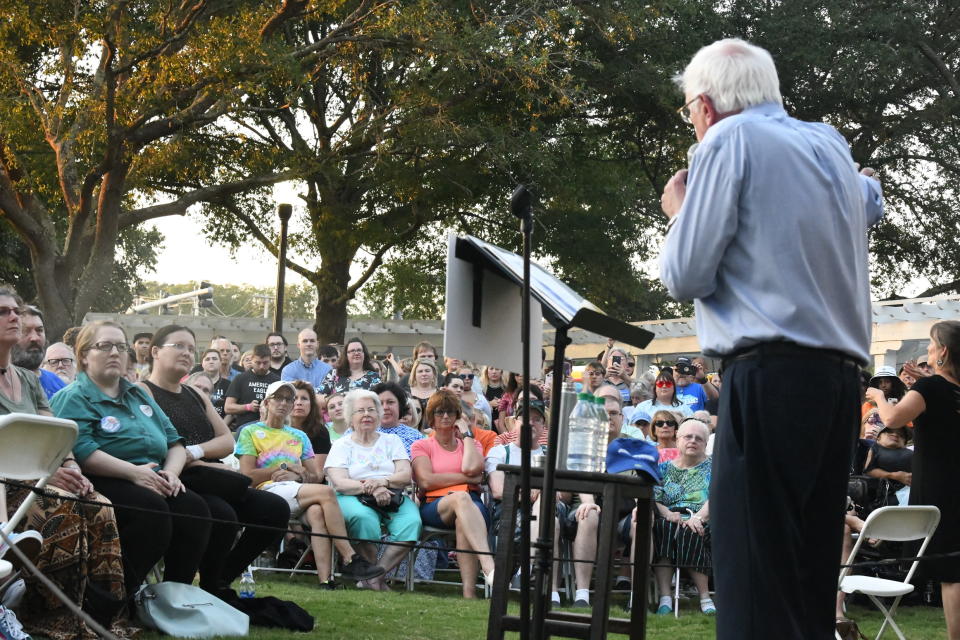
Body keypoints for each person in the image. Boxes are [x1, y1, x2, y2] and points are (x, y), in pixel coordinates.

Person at [658, 39, 883, 640]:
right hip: (839, 383)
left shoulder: (727, 142)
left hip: (769, 374)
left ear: (703, 106)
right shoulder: (829, 143)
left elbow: (685, 274)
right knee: (807, 575)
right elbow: (871, 200)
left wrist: (680, 210)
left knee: (756, 571)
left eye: (689, 113)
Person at [50, 320, 212, 608]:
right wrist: (134, 473)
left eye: (121, 346)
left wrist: (172, 474)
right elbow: (82, 449)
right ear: (84, 355)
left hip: (152, 475)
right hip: (102, 477)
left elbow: (174, 442)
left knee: (195, 511)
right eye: (105, 346)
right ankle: (114, 599)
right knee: (151, 513)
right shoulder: (73, 397)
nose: (115, 352)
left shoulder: (137, 393)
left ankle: (173, 599)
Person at [0, 291, 129, 640]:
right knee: (62, 507)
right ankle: (52, 623)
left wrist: (70, 467)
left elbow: (55, 434)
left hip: (39, 478)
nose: (13, 317)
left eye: (15, 310)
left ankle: (99, 619)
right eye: (3, 312)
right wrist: (47, 472)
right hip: (5, 485)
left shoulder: (29, 379)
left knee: (101, 507)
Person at [141, 324, 290, 596]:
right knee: (223, 514)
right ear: (155, 352)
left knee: (275, 509)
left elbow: (226, 441)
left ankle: (220, 580)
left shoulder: (195, 394)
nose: (187, 352)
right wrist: (187, 458)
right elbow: (154, 442)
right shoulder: (143, 392)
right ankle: (184, 588)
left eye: (190, 347)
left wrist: (194, 452)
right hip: (177, 478)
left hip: (210, 474)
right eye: (179, 346)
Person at [235, 380, 384, 587]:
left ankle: (325, 581)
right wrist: (285, 467)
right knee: (327, 493)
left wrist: (298, 475)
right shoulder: (250, 432)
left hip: (295, 490)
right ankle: (350, 558)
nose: (284, 403)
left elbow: (315, 475)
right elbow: (247, 475)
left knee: (317, 513)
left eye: (289, 399)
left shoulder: (300, 435)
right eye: (278, 398)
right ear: (267, 402)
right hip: (265, 493)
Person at [866, 321, 960, 639]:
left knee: (952, 573)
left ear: (944, 351)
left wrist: (878, 395)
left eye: (932, 346)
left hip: (939, 486)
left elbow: (892, 419)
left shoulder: (931, 388)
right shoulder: (949, 389)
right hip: (955, 482)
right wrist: (925, 383)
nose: (928, 351)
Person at [325, 389, 422, 591]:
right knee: (364, 519)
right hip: (351, 496)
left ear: (378, 415)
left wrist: (382, 483)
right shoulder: (342, 445)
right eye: (360, 411)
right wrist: (370, 487)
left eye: (371, 410)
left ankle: (374, 577)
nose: (367, 414)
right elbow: (340, 482)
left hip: (391, 494)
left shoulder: (391, 441)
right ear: (350, 418)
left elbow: (405, 475)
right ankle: (372, 578)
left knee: (412, 522)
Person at [410, 390, 495, 598]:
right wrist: (466, 480)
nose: (445, 417)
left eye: (450, 412)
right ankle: (489, 565)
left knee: (462, 517)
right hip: (435, 504)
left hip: (471, 507)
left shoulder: (471, 443)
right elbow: (426, 481)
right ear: (431, 417)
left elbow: (471, 468)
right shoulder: (421, 445)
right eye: (440, 412)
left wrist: (466, 434)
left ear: (458, 416)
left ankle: (469, 592)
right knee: (461, 497)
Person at [646, 419, 714, 616]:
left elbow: (717, 496)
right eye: (688, 437)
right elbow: (654, 497)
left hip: (704, 519)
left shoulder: (714, 467)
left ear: (706, 443)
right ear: (677, 440)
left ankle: (705, 596)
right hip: (670, 518)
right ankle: (665, 598)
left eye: (698, 438)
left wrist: (699, 517)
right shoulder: (664, 468)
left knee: (690, 530)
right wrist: (667, 513)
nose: (693, 441)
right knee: (661, 529)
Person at [11, 306, 66, 399]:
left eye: (39, 330)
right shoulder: (4, 383)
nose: (35, 338)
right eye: (25, 331)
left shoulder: (58, 383)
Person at [224, 343, 280, 430]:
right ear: (252, 360)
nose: (261, 367)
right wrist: (248, 407)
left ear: (270, 360)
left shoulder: (277, 381)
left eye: (265, 363)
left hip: (269, 429)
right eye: (258, 363)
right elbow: (228, 407)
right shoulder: (241, 378)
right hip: (245, 428)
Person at [289, 380, 332, 474]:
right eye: (294, 398)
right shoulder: (276, 428)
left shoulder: (320, 432)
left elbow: (318, 475)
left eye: (304, 398)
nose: (299, 403)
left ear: (312, 405)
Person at [372, 382, 424, 456]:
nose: (385, 407)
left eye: (390, 402)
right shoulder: (361, 433)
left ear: (400, 405)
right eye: (380, 403)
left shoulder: (416, 437)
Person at [199, 348, 230, 418]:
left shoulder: (228, 385)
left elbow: (231, 413)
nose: (211, 361)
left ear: (220, 362)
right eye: (207, 359)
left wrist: (222, 426)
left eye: (214, 359)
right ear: (202, 363)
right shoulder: (194, 383)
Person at [408, 358, 438, 429]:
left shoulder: (440, 394)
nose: (424, 374)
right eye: (420, 371)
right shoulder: (406, 394)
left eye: (427, 371)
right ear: (414, 375)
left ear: (433, 373)